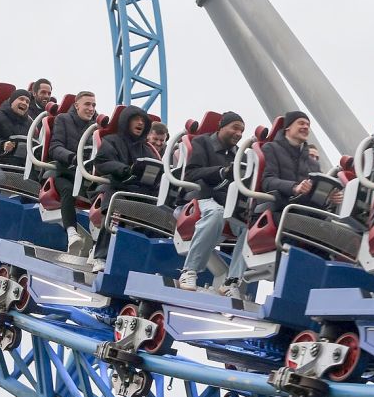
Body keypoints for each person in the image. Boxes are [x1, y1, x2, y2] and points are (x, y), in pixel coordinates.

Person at [222, 111, 341, 292]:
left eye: (308, 125)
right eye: (301, 123)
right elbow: (267, 180)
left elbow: (314, 198)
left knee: (326, 232)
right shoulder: (271, 149)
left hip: (301, 211)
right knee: (295, 226)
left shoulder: (312, 163)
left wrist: (329, 198)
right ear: (288, 127)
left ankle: (315, 291)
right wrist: (294, 187)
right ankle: (285, 291)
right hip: (275, 209)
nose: (305, 127)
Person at [175, 111, 248, 295]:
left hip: (226, 204)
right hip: (200, 198)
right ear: (221, 126)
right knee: (215, 213)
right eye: (235, 128)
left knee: (250, 228)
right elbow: (192, 173)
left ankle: (231, 281)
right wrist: (221, 172)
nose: (239, 133)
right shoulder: (202, 142)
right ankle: (189, 270)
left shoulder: (239, 155)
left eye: (242, 131)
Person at [91, 106, 158, 265]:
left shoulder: (146, 149)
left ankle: (141, 259)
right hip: (116, 187)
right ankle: (101, 256)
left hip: (140, 191)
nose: (140, 123)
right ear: (126, 121)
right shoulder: (112, 140)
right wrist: (124, 169)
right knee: (117, 210)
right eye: (136, 119)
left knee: (158, 213)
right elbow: (101, 162)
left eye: (143, 120)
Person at [46, 91, 97, 251]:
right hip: (65, 171)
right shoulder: (63, 119)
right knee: (68, 189)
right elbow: (55, 148)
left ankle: (97, 246)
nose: (91, 108)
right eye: (87, 104)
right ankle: (71, 232)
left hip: (88, 175)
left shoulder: (96, 128)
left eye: (94, 105)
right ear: (76, 106)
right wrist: (73, 158)